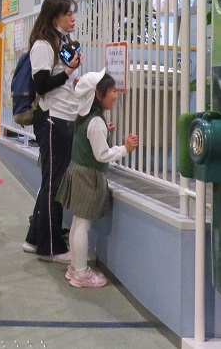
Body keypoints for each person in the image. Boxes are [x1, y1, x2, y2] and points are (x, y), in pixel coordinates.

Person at [57, 71, 138, 288]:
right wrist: (125, 148)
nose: (115, 95)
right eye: (112, 91)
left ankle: (75, 267)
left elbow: (91, 139)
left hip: (78, 171)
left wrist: (105, 131)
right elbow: (102, 155)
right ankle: (81, 274)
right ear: (98, 95)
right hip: (88, 177)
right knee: (82, 225)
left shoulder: (86, 118)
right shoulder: (96, 122)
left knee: (78, 222)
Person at [23, 0, 81, 263]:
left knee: (52, 181)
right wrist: (68, 73)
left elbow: (60, 80)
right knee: (53, 183)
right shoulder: (43, 45)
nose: (73, 18)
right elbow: (42, 84)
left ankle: (35, 238)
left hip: (62, 116)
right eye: (68, 13)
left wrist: (71, 77)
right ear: (54, 16)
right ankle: (51, 247)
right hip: (51, 118)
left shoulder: (61, 41)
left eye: (73, 13)